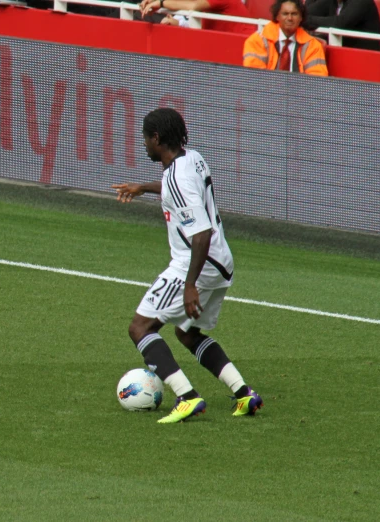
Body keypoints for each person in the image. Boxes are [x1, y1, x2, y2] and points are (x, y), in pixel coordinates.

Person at [111, 108, 262, 423]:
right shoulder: (191, 158)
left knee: (140, 327)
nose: (143, 145)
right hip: (221, 263)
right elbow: (177, 189)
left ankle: (187, 396)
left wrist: (190, 284)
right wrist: (143, 187)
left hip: (195, 265)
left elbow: (201, 231)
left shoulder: (177, 177)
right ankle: (244, 394)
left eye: (145, 138)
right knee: (187, 333)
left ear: (156, 138)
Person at [243, 0, 329, 75]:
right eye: (285, 14)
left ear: (301, 18)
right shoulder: (257, 41)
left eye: (294, 14)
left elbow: (316, 81)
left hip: (299, 91)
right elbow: (254, 78)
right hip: (266, 91)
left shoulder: (313, 46)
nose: (290, 18)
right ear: (277, 17)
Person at [139, 0, 256, 34]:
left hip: (244, 48)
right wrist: (174, 23)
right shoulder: (208, 8)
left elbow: (193, 5)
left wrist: (160, 3)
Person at [305, 0, 380, 50]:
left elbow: (340, 23)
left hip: (365, 57)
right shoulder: (332, 2)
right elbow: (306, 12)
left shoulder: (361, 2)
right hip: (346, 53)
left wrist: (307, 20)